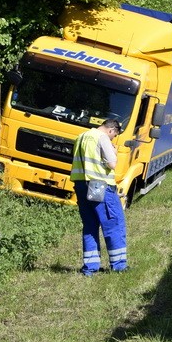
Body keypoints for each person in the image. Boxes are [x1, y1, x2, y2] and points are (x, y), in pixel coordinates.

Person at [70, 118, 128, 275]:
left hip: (81, 185)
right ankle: (119, 266)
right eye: (113, 136)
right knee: (114, 223)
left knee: (90, 226)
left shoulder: (81, 136)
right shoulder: (102, 137)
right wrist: (113, 152)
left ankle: (90, 268)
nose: (112, 139)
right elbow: (112, 163)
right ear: (111, 130)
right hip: (99, 186)